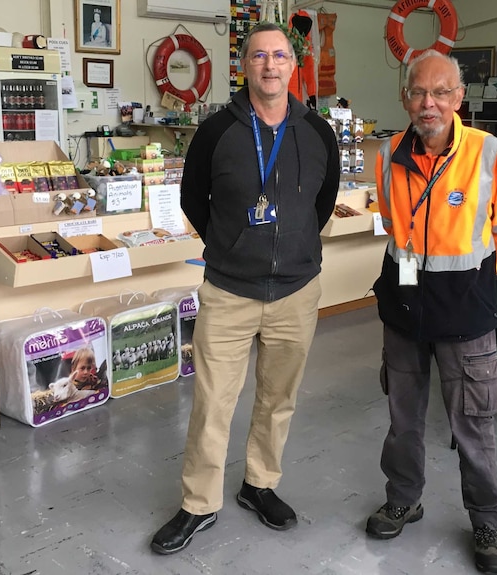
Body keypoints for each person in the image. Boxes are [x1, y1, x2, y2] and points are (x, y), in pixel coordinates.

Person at [150, 21, 339, 555]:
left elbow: (321, 204)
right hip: (229, 291)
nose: (270, 65)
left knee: (279, 399)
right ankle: (198, 504)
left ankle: (260, 484)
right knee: (213, 402)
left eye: (280, 56)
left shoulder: (317, 132)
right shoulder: (216, 131)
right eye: (259, 56)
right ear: (244, 66)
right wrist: (229, 246)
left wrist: (297, 246)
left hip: (296, 291)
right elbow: (192, 200)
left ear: (292, 66)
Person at [366, 50, 497, 575]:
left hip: (467, 312)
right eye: (417, 92)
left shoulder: (491, 154)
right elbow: (393, 226)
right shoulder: (388, 154)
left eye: (440, 93)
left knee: (474, 423)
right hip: (403, 306)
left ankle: (486, 518)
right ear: (404, 97)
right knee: (402, 417)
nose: (427, 103)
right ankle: (404, 498)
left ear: (458, 99)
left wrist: (469, 284)